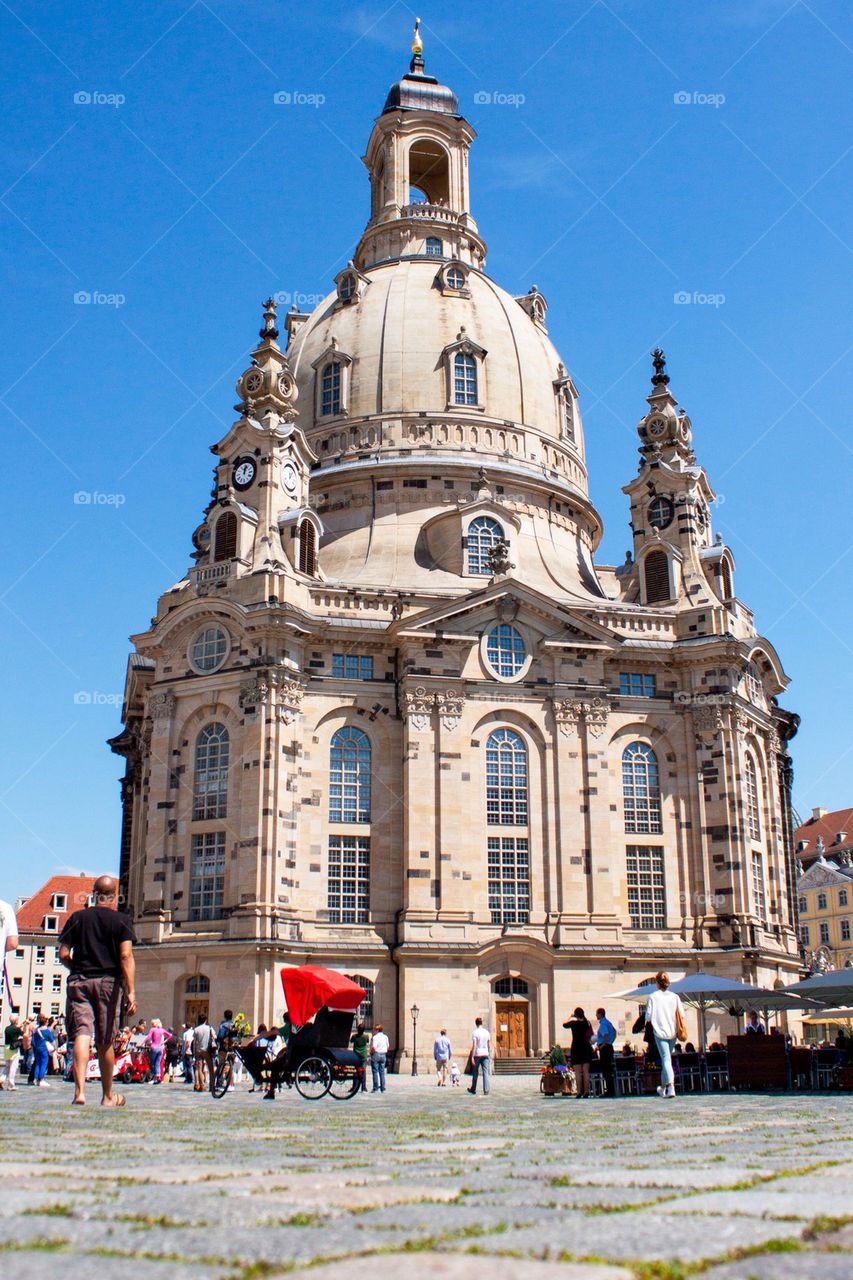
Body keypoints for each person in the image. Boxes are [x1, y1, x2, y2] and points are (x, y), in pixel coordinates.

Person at [58, 874, 137, 1108]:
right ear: (115, 897)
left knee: (82, 1034)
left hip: (79, 982)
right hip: (108, 984)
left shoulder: (77, 918)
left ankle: (79, 1092)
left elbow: (63, 954)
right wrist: (131, 991)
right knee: (105, 1041)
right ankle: (107, 1096)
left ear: (94, 894)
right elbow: (125, 955)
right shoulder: (122, 921)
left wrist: (77, 968)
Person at [644, 971, 685, 1099]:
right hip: (673, 1031)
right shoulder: (675, 997)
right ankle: (663, 1087)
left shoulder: (652, 996)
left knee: (666, 1059)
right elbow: (682, 1014)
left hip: (660, 1031)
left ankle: (671, 1086)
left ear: (657, 983)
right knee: (666, 1059)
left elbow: (648, 1016)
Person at [563, 1008, 594, 1098]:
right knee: (586, 1071)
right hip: (586, 1047)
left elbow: (564, 1024)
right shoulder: (587, 1023)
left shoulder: (574, 1023)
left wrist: (570, 1016)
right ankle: (587, 1091)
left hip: (576, 1048)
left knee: (577, 1072)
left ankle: (579, 1091)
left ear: (576, 1015)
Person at [595, 1007, 617, 1098]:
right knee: (609, 1070)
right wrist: (611, 1041)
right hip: (609, 1047)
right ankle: (611, 1090)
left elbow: (606, 1035)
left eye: (597, 1014)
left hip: (605, 1048)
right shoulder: (609, 1022)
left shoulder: (603, 1023)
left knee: (606, 1070)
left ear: (600, 1014)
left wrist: (602, 1045)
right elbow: (615, 1032)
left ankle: (609, 1091)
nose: (596, 1015)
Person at [192, 1013, 216, 1092]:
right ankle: (212, 1085)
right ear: (206, 1020)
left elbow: (194, 1041)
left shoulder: (196, 1029)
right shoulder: (209, 1028)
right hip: (207, 1050)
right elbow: (214, 1037)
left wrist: (194, 1052)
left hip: (198, 1050)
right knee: (210, 1068)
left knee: (199, 1068)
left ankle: (201, 1085)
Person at [467, 1017, 491, 1095]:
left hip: (477, 1054)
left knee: (475, 1072)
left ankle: (473, 1088)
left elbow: (474, 1045)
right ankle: (486, 1089)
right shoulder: (487, 1032)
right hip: (485, 1053)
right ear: (482, 1023)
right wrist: (489, 1053)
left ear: (476, 1023)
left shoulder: (475, 1032)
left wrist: (472, 1056)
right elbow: (488, 1044)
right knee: (486, 1072)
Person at [31, 1014, 56, 1087]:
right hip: (44, 1049)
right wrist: (54, 1049)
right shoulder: (47, 1031)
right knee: (44, 1063)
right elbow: (53, 1041)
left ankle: (35, 1079)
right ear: (45, 1022)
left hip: (37, 1049)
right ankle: (41, 1079)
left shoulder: (36, 1030)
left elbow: (33, 1041)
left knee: (38, 1064)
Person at [2, 1015, 22, 1091]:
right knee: (13, 1067)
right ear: (15, 1020)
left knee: (7, 1066)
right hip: (13, 1048)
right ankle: (11, 1085)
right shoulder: (17, 1029)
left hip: (6, 1047)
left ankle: (1, 1079)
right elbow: (21, 1035)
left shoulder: (7, 1028)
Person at [145, 1019, 167, 1083]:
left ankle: (154, 1078)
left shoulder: (153, 1030)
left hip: (155, 1048)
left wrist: (144, 1042)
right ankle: (158, 1077)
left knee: (153, 1064)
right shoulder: (161, 1032)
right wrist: (163, 1042)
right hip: (161, 1048)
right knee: (158, 1064)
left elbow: (149, 1038)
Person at [369, 1024, 390, 1093]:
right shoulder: (385, 1037)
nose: (374, 1031)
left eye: (375, 1029)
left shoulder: (375, 1037)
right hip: (383, 1055)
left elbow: (374, 1047)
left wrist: (371, 1053)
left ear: (377, 1030)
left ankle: (375, 1087)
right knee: (382, 1072)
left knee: (375, 1072)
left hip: (376, 1054)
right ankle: (383, 1087)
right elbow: (388, 1046)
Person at [351, 1021, 370, 1092]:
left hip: (356, 1055)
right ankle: (363, 1087)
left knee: (355, 1071)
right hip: (364, 1056)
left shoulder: (354, 1036)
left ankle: (354, 1087)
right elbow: (367, 1041)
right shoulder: (366, 1036)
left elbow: (351, 1041)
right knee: (363, 1071)